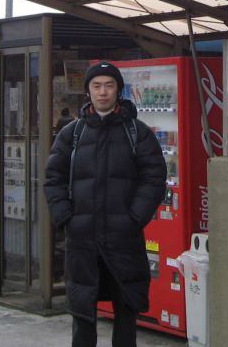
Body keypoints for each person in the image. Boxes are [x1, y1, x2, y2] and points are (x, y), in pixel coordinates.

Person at [45, 61, 166, 347]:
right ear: (88, 91)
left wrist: (134, 218)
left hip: (123, 239)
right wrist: (66, 217)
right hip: (82, 240)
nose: (103, 92)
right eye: (96, 86)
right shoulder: (71, 134)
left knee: (126, 311)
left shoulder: (137, 133)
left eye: (109, 86)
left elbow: (154, 178)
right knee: (82, 314)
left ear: (118, 91)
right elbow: (52, 178)